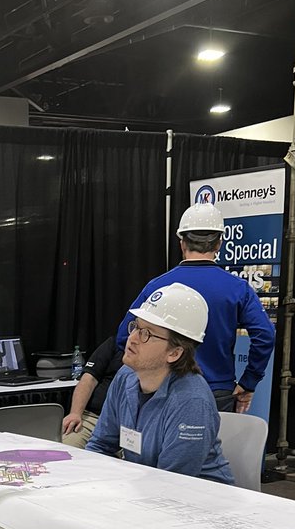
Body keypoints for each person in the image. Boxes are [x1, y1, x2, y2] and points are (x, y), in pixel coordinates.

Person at [115, 203, 275, 412]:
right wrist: (248, 382)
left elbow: (124, 338)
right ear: (218, 244)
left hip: (161, 391)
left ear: (182, 243)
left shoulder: (158, 287)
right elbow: (266, 335)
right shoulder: (238, 288)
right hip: (215, 393)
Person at [87, 283, 234, 484]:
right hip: (145, 491)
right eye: (136, 327)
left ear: (175, 353)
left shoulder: (191, 402)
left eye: (146, 333)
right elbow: (100, 446)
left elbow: (171, 485)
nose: (132, 339)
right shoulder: (125, 376)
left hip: (198, 503)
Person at [61, 336, 124, 448]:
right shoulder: (117, 342)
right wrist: (75, 413)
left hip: (129, 426)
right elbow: (88, 379)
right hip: (94, 417)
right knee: (68, 446)